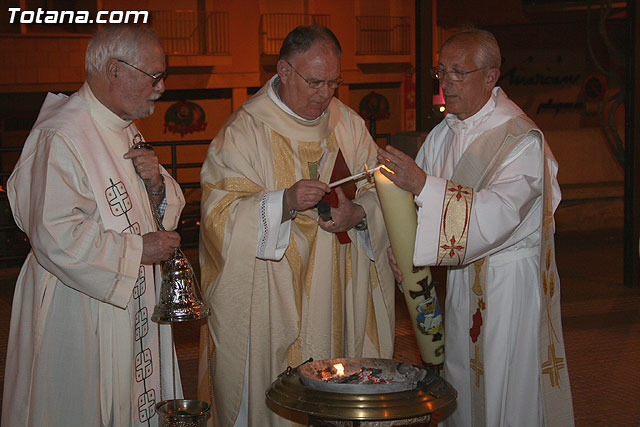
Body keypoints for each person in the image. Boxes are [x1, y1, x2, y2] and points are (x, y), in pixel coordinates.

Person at [199, 25, 395, 426]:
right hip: (271, 300)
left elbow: (383, 189)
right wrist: (283, 202)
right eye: (315, 81)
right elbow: (219, 218)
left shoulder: (348, 125)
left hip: (339, 292)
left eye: (333, 83)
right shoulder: (243, 132)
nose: (325, 94)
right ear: (284, 71)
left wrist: (359, 215)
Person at [377, 28, 574, 426]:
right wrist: (406, 254)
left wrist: (422, 184)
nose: (446, 83)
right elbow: (418, 212)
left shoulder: (520, 139)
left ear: (490, 76)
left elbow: (499, 214)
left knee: (507, 387)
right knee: (463, 387)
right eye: (441, 72)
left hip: (509, 287)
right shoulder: (442, 134)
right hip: (462, 286)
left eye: (457, 73)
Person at [3, 25, 185, 426]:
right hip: (79, 307)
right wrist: (138, 251)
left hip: (128, 299)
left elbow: (150, 207)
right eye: (154, 77)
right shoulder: (62, 134)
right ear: (115, 70)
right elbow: (55, 233)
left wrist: (156, 184)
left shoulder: (124, 127)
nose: (161, 88)